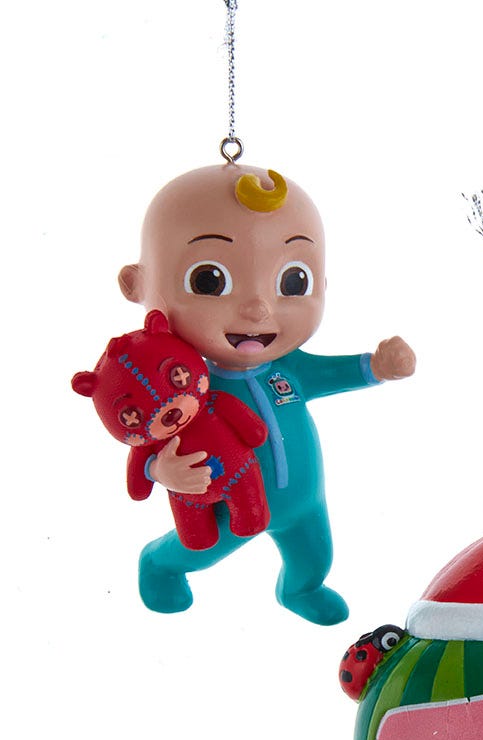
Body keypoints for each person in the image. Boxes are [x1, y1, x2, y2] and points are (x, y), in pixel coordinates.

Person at [118, 163, 416, 625]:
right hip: (226, 502)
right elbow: (147, 432)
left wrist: (377, 367)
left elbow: (334, 372)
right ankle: (159, 564)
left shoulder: (291, 368)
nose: (258, 308)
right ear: (136, 284)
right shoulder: (179, 384)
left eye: (293, 282)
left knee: (315, 555)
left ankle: (300, 589)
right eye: (209, 281)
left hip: (305, 501)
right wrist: (161, 469)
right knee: (199, 551)